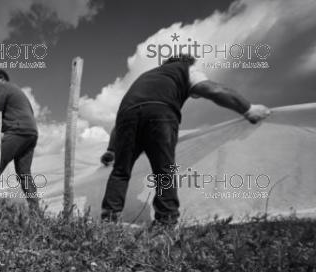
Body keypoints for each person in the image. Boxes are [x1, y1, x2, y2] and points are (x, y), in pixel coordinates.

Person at [100, 54, 271, 225]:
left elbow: (120, 122)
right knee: (164, 171)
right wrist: (248, 108)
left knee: (120, 172)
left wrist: (112, 150)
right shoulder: (185, 68)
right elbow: (212, 89)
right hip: (160, 113)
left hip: (126, 118)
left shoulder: (147, 76)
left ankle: (109, 220)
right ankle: (165, 223)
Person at [0, 69, 40, 212]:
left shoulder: (4, 87)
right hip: (31, 133)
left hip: (18, 131)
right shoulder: (19, 92)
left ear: (0, 79)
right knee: (24, 173)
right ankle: (36, 211)